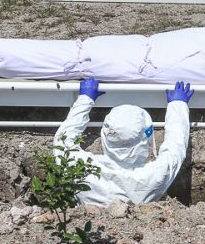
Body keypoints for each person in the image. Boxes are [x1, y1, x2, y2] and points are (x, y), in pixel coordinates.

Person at [53, 77, 193, 206]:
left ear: (105, 136)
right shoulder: (153, 175)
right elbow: (175, 147)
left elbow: (62, 141)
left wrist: (85, 99)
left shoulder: (84, 170)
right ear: (145, 138)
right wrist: (178, 105)